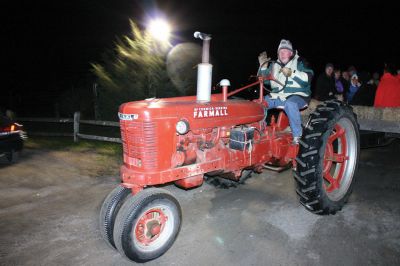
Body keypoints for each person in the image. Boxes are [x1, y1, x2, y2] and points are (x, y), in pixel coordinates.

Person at [258, 39, 314, 144]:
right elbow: (264, 81)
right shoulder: (274, 65)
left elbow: (308, 79)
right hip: (279, 95)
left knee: (290, 103)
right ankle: (260, 131)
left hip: (299, 95)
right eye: (280, 52)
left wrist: (291, 73)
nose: (282, 54)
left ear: (291, 53)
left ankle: (297, 136)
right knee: (259, 103)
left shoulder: (300, 62)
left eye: (285, 51)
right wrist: (263, 68)